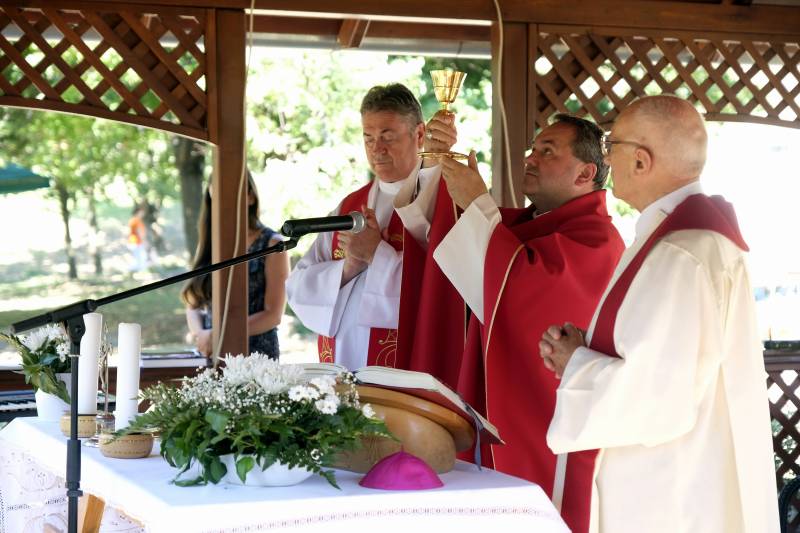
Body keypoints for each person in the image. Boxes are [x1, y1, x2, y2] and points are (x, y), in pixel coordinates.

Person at [539, 95, 778, 533]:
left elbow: (658, 397)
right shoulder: (688, 239)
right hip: (684, 474)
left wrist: (576, 361)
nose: (608, 156)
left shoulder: (679, 253)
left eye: (613, 145)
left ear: (642, 160)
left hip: (667, 491)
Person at [415, 114, 624, 533]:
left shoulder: (598, 239)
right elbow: (469, 251)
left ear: (586, 173)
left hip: (544, 422)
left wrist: (477, 204)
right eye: (533, 147)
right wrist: (438, 167)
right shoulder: (524, 226)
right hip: (499, 410)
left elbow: (525, 290)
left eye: (548, 151)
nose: (531, 157)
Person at [286, 83, 464, 376]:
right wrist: (349, 267)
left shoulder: (441, 202)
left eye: (387, 137)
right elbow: (298, 287)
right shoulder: (348, 205)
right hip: (342, 368)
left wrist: (376, 253)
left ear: (419, 135)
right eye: (368, 138)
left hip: (404, 369)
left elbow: (444, 288)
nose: (376, 149)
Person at [181, 171, 290, 358]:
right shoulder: (211, 243)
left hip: (256, 359)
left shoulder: (272, 244)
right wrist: (202, 335)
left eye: (231, 195)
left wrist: (219, 334)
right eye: (217, 196)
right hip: (212, 356)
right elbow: (193, 304)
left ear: (250, 197)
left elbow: (273, 315)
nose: (223, 203)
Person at [127, 204, 148, 272]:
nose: (143, 214)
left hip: (134, 242)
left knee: (138, 258)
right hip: (136, 242)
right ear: (138, 212)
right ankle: (137, 272)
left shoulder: (133, 220)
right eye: (142, 212)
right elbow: (139, 232)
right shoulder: (136, 220)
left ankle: (136, 271)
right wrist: (144, 241)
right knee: (140, 258)